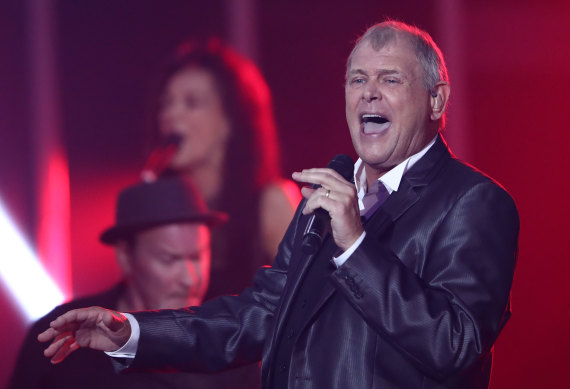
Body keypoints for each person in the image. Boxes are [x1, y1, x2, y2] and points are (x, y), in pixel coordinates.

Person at [38, 20, 519, 389]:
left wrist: (355, 246)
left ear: (437, 100)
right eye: (357, 80)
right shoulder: (328, 194)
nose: (368, 92)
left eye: (391, 79)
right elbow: (258, 314)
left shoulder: (474, 203)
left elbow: (455, 345)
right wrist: (133, 334)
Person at [9, 176, 260, 389]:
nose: (190, 279)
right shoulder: (61, 337)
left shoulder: (230, 343)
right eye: (169, 259)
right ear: (125, 257)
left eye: (197, 256)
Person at [145, 38, 301, 300]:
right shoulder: (161, 209)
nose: (171, 114)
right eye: (166, 103)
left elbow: (311, 295)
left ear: (230, 120)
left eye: (192, 103)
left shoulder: (270, 203)